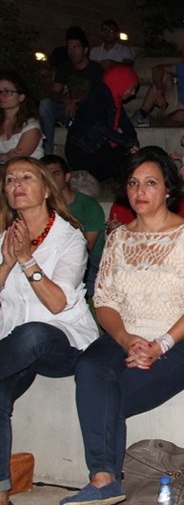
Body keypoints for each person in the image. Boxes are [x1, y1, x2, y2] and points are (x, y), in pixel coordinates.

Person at [60, 148, 184, 505]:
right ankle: (104, 479)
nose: (139, 191)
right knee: (89, 367)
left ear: (167, 189)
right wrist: (126, 338)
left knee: (113, 393)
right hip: (126, 334)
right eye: (133, 183)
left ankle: (105, 481)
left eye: (150, 183)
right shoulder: (118, 238)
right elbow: (104, 301)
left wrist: (159, 345)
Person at [0, 157, 99, 505]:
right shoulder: (4, 237)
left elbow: (57, 304)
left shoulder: (69, 238)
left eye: (26, 177)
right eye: (10, 179)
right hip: (12, 347)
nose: (17, 184)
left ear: (46, 190)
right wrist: (7, 262)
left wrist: (27, 260)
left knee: (35, 333)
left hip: (63, 343)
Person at [41, 154, 106, 298]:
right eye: (46, 175)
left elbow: (86, 248)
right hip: (50, 257)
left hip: (89, 260)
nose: (51, 179)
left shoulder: (88, 205)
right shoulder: (41, 207)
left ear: (67, 177)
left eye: (56, 174)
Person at [64, 65, 139, 181]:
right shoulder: (99, 95)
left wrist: (133, 141)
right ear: (121, 83)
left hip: (95, 147)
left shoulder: (114, 98)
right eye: (131, 88)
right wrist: (127, 142)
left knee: (127, 150)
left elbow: (126, 124)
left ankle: (118, 177)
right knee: (123, 154)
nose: (133, 93)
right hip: (83, 151)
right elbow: (100, 125)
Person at [39, 27, 104, 155]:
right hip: (68, 107)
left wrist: (76, 101)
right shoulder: (65, 67)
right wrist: (66, 100)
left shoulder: (96, 69)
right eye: (69, 48)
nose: (72, 51)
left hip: (88, 109)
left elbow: (99, 96)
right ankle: (48, 152)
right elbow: (53, 92)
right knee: (45, 104)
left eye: (76, 47)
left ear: (85, 50)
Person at [0, 72, 43, 162]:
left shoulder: (31, 126)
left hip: (24, 169)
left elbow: (17, 160)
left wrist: (5, 157)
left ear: (21, 97)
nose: (1, 96)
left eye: (7, 92)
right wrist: (4, 156)